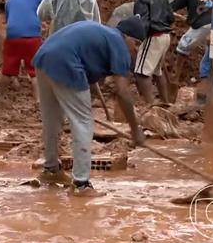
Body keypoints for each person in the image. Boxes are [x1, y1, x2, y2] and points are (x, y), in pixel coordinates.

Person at [33, 19, 146, 196]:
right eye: (137, 45)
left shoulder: (102, 34)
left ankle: (51, 170)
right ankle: (81, 184)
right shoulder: (119, 45)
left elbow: (90, 66)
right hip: (65, 62)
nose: (135, 50)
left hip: (43, 57)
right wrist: (135, 129)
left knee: (52, 120)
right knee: (83, 123)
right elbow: (123, 93)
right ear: (128, 38)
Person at [131, 0, 173, 105]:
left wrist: (138, 37)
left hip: (153, 36)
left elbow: (141, 22)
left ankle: (151, 107)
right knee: (157, 71)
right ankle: (165, 103)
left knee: (141, 73)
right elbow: (171, 18)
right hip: (165, 36)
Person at [2, 0, 46, 103]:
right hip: (32, 35)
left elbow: (8, 18)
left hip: (12, 35)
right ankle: (38, 99)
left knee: (7, 68)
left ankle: (1, 96)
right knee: (34, 69)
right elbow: (45, 11)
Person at [171, 0, 213, 79]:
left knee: (182, 47)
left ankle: (175, 78)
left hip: (201, 24)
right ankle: (205, 77)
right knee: (210, 49)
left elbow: (174, 6)